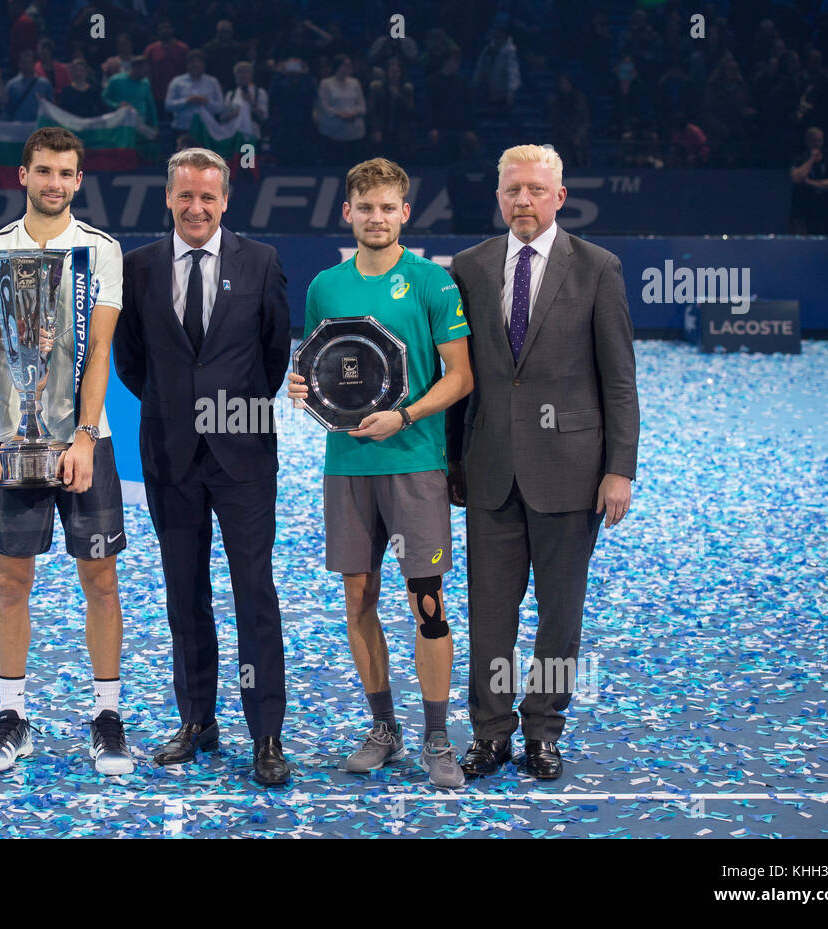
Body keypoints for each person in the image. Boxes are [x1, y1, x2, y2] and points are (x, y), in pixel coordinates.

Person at [445, 144, 639, 781]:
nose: (522, 201)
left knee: (561, 614)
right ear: (498, 197)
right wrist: (453, 462)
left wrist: (620, 468)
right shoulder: (467, 268)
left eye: (534, 190)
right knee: (488, 614)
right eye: (512, 191)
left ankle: (543, 729)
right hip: (490, 471)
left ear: (560, 196)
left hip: (572, 471)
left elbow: (619, 380)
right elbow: (458, 375)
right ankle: (490, 732)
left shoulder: (598, 268)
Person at [286, 157, 474, 788]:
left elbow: (461, 377)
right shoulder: (324, 287)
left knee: (427, 603)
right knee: (358, 600)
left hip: (415, 462)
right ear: (348, 213)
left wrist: (407, 415)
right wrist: (300, 387)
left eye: (387, 207)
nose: (376, 218)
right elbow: (326, 371)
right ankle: (384, 727)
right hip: (347, 465)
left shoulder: (433, 284)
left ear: (405, 213)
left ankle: (438, 735)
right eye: (365, 208)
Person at [114, 147, 292, 787]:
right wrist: (179, 412)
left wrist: (231, 416)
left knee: (254, 594)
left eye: (208, 198)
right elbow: (132, 364)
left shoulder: (261, 263)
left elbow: (273, 358)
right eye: (185, 196)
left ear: (224, 200)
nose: (196, 208)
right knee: (184, 594)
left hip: (243, 456)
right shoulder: (138, 269)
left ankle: (266, 734)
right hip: (170, 456)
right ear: (168, 198)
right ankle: (197, 721)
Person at [0, 127, 132, 776]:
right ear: (22, 175)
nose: (54, 182)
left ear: (79, 180)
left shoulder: (101, 252)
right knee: (13, 580)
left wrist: (85, 436)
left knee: (101, 579)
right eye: (43, 170)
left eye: (65, 172)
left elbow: (99, 355)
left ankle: (106, 716)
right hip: (12, 442)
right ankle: (12, 715)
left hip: (87, 443)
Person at [790, 126, 828, 234]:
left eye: (819, 140)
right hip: (803, 210)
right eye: (813, 141)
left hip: (825, 210)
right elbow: (797, 178)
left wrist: (812, 183)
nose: (816, 144)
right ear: (807, 141)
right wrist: (811, 160)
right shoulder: (799, 159)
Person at [164, 49, 223, 132]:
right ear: (187, 64)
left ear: (204, 64)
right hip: (182, 128)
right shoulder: (177, 81)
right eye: (192, 62)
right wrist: (186, 101)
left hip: (207, 129)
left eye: (199, 62)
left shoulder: (213, 82)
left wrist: (206, 102)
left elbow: (220, 108)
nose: (195, 65)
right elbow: (168, 105)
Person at [5, 48, 51, 121]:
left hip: (38, 125)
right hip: (18, 126)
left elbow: (50, 107)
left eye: (30, 63)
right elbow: (7, 108)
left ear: (34, 64)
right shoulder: (11, 85)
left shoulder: (44, 84)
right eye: (24, 63)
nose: (27, 65)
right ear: (20, 64)